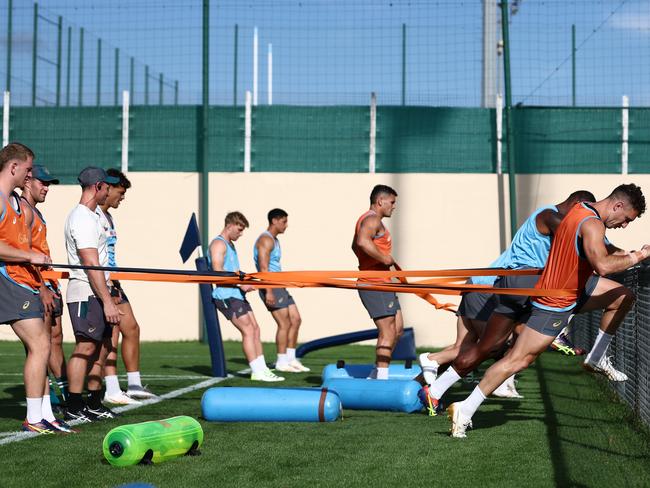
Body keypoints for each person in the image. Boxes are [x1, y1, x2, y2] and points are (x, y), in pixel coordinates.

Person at [448, 184, 649, 438]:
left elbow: (603, 251)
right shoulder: (593, 224)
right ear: (617, 206)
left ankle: (596, 356)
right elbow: (604, 265)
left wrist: (627, 254)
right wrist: (639, 256)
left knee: (624, 296)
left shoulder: (580, 210)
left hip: (568, 293)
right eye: (626, 219)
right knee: (517, 360)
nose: (624, 225)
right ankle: (464, 410)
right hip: (556, 302)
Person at [419, 190, 596, 413]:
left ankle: (428, 384)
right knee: (490, 347)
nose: (586, 220)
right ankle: (433, 363)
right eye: (585, 213)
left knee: (474, 346)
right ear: (578, 205)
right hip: (488, 287)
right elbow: (577, 237)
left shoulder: (553, 224)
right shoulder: (551, 217)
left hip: (492, 285)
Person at [0, 143, 67, 434]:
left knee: (40, 345)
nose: (30, 175)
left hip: (23, 282)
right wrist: (30, 256)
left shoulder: (18, 204)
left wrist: (40, 285)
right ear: (13, 167)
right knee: (41, 345)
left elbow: (23, 247)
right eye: (28, 169)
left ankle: (44, 415)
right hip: (9, 280)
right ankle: (34, 417)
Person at [63, 167, 122, 422]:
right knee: (85, 346)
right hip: (86, 291)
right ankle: (74, 406)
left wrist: (110, 291)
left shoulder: (94, 215)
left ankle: (94, 403)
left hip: (99, 290)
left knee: (101, 349)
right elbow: (90, 264)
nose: (109, 191)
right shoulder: (82, 219)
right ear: (97, 186)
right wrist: (107, 301)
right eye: (107, 187)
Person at [98, 169, 157, 405]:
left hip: (114, 282)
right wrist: (105, 285)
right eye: (120, 193)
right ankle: (111, 389)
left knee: (131, 328)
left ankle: (133, 384)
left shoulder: (109, 217)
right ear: (107, 188)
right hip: (102, 283)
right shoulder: (92, 216)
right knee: (110, 335)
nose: (122, 198)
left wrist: (116, 282)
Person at [210, 211, 284, 382]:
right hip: (226, 296)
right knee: (248, 331)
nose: (241, 234)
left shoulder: (230, 245)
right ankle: (256, 371)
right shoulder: (218, 244)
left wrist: (244, 283)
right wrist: (240, 283)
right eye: (239, 229)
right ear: (229, 226)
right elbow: (217, 271)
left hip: (236, 294)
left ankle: (262, 369)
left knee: (256, 329)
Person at [20, 165, 69, 409]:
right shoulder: (24, 211)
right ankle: (44, 406)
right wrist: (42, 288)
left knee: (53, 340)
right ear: (27, 181)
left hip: (48, 282)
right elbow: (25, 254)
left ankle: (57, 395)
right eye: (43, 183)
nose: (46, 188)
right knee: (39, 345)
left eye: (49, 184)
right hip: (35, 285)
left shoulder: (36, 212)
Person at [352, 184, 403, 380]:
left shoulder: (369, 219)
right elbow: (361, 242)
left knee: (397, 329)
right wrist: (383, 259)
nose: (394, 206)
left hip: (383, 282)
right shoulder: (372, 219)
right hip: (374, 283)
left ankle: (376, 372)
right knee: (388, 331)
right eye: (392, 202)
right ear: (380, 201)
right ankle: (381, 378)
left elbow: (354, 245)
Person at [253, 208, 309, 373]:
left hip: (280, 286)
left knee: (296, 319)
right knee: (284, 323)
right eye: (284, 221)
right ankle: (281, 361)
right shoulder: (266, 240)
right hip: (271, 286)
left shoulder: (275, 240)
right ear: (275, 221)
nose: (286, 225)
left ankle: (291, 359)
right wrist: (268, 291)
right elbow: (263, 268)